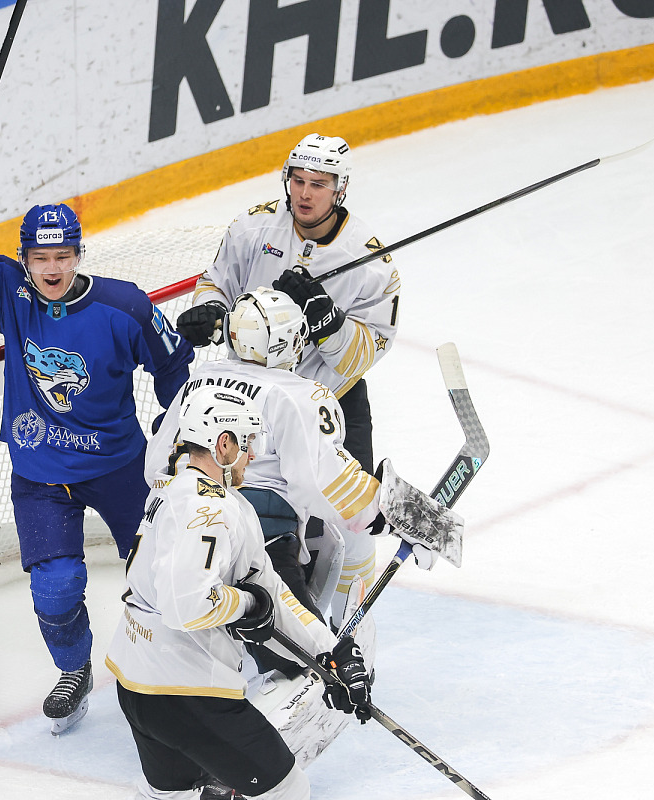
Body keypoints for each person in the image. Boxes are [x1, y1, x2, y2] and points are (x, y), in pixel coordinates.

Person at [0, 164, 195, 731]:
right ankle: (74, 671)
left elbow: (175, 367)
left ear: (79, 255)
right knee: (56, 586)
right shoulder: (11, 294)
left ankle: (192, 664)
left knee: (165, 569)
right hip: (41, 475)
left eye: (63, 256)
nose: (52, 269)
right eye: (40, 258)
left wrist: (179, 440)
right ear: (24, 259)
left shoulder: (125, 307)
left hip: (121, 467)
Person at [107, 386, 372, 800]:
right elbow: (186, 605)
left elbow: (270, 589)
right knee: (287, 790)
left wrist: (329, 652)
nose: (252, 455)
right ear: (223, 444)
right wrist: (246, 604)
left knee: (169, 792)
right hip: (188, 690)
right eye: (247, 443)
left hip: (136, 679)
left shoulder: (175, 490)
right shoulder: (209, 509)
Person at [150, 288, 411, 682]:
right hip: (259, 537)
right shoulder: (299, 393)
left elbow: (155, 466)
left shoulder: (199, 380)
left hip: (177, 528)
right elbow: (322, 484)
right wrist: (395, 515)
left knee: (188, 622)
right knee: (306, 660)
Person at [175, 133, 400, 474]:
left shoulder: (370, 262)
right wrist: (213, 313)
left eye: (318, 184)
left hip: (330, 400)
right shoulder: (252, 228)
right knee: (236, 497)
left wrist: (328, 324)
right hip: (247, 395)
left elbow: (369, 349)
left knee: (355, 505)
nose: (305, 193)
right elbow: (215, 283)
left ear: (340, 189)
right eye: (298, 180)